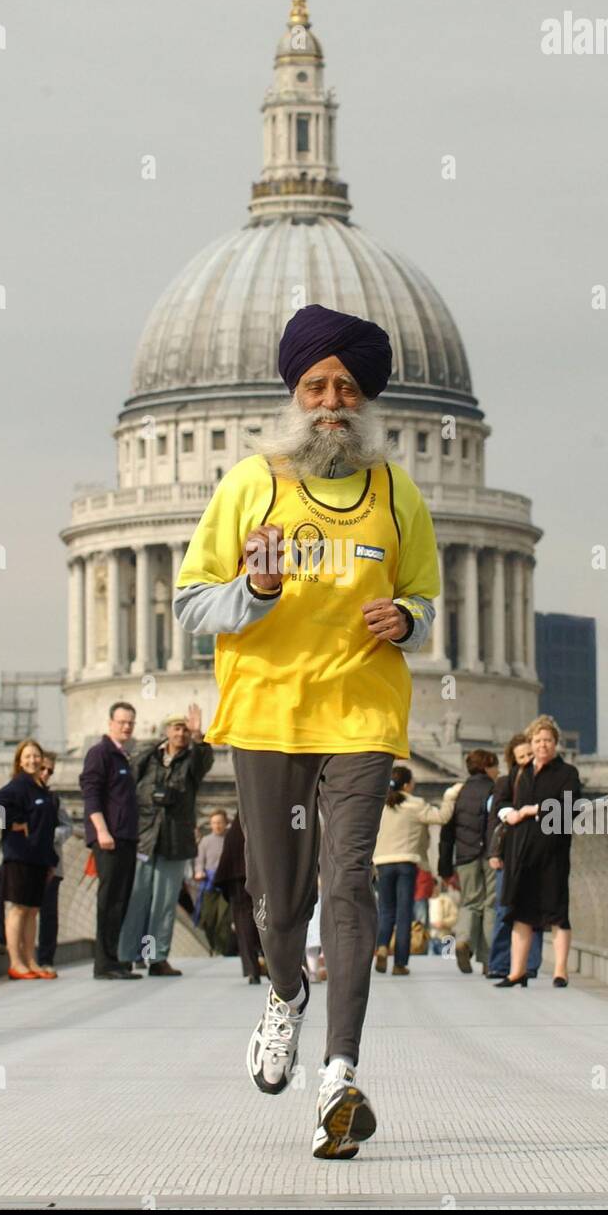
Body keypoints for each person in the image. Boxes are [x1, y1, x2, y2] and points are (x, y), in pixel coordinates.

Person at [174, 302, 440, 1159]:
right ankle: (284, 996)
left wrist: (406, 615)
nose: (334, 401)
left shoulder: (396, 491)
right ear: (294, 392)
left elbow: (427, 595)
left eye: (350, 388)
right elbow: (189, 603)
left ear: (367, 403)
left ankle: (341, 1072)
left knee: (350, 881)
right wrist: (252, 590)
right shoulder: (252, 483)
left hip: (362, 711)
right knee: (280, 903)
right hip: (267, 712)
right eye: (319, 385)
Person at [118, 707, 213, 976]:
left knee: (164, 902)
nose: (180, 733)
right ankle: (127, 955)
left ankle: (157, 957)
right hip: (145, 837)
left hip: (175, 839)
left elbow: (205, 760)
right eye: (176, 728)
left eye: (184, 729)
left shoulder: (192, 761)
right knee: (136, 898)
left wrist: (199, 736)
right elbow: (130, 773)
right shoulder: (149, 758)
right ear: (166, 732)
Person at [495, 715, 582, 988]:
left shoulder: (567, 773)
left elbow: (570, 806)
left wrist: (534, 810)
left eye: (548, 740)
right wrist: (509, 814)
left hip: (552, 852)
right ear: (530, 743)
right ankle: (516, 971)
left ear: (556, 743)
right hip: (521, 852)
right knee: (519, 912)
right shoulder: (520, 772)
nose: (542, 745)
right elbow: (502, 800)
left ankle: (560, 971)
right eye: (538, 740)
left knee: (557, 911)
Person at [373, 765, 458, 976]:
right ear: (406, 784)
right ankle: (400, 963)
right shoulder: (415, 804)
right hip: (407, 862)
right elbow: (442, 817)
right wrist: (449, 795)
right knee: (404, 913)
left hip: (382, 862)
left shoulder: (378, 805)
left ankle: (382, 946)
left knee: (385, 910)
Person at [0, 739, 58, 980]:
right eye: (27, 756)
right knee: (18, 909)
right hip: (20, 856)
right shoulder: (18, 785)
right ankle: (16, 962)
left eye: (36, 756)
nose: (32, 761)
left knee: (32, 910)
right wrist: (8, 823)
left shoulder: (41, 788)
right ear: (19, 761)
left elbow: (47, 827)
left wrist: (51, 861)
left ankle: (30, 959)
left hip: (39, 858)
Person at [79, 702, 140, 980]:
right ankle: (103, 963)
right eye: (122, 722)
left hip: (126, 837)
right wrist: (101, 831)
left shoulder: (122, 756)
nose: (126, 726)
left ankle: (112, 959)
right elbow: (90, 794)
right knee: (109, 900)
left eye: (130, 722)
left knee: (121, 900)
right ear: (110, 723)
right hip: (109, 839)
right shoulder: (100, 753)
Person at [485, 733, 543, 980]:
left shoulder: (545, 781)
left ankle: (529, 965)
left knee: (534, 908)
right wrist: (493, 853)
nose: (527, 760)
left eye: (530, 754)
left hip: (537, 852)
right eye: (522, 757)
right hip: (509, 854)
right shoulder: (506, 783)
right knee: (504, 908)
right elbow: (494, 819)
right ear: (513, 760)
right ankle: (499, 963)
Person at [438, 750, 499, 974]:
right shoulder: (495, 789)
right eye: (496, 766)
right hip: (491, 855)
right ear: (488, 766)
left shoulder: (457, 793)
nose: (499, 771)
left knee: (469, 902)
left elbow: (447, 834)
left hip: (464, 856)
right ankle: (488, 960)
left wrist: (444, 866)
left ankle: (462, 940)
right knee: (491, 904)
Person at [213, 811, 265, 984]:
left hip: (235, 875)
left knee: (243, 922)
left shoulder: (236, 827)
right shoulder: (263, 816)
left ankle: (252, 970)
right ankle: (272, 966)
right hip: (261, 874)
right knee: (266, 917)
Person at [34, 751, 73, 977]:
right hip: (23, 862)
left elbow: (67, 826)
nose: (46, 774)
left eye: (50, 771)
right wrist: (3, 829)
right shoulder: (16, 791)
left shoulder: (54, 798)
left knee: (49, 914)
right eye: (43, 769)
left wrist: (51, 835)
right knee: (23, 912)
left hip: (52, 863)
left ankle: (46, 960)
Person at [193, 810, 235, 954]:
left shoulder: (230, 840)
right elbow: (199, 861)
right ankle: (212, 945)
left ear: (226, 824)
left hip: (226, 883)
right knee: (208, 918)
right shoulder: (205, 841)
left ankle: (222, 950)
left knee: (224, 919)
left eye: (220, 822)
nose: (217, 826)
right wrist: (199, 871)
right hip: (209, 883)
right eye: (214, 823)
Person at [427, 879, 459, 954]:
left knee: (446, 963)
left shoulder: (446, 900)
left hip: (444, 938)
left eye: (433, 886)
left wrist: (444, 923)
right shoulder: (423, 903)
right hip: (429, 940)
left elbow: (455, 916)